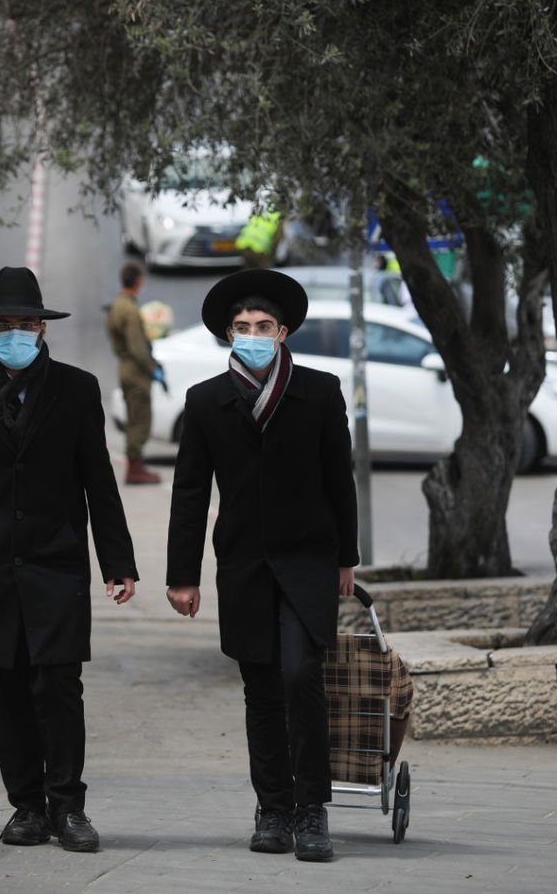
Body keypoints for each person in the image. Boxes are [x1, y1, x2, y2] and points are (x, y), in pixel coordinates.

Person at [0, 265, 139, 854]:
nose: (15, 333)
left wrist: (116, 563)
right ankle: (25, 806)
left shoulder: (76, 389)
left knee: (59, 689)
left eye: (26, 323)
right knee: (10, 693)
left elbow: (100, 481)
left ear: (42, 330)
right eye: (5, 324)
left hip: (57, 564)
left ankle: (68, 808)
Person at [164, 268, 359, 862]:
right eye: (243, 327)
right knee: (261, 690)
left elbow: (339, 481)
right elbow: (190, 491)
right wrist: (183, 574)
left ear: (284, 332)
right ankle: (272, 809)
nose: (253, 334)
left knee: (302, 676)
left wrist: (346, 559)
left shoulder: (320, 392)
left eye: (264, 326)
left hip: (307, 560)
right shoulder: (205, 401)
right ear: (228, 334)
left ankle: (312, 809)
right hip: (244, 565)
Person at [105, 260, 163, 484]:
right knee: (140, 420)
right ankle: (135, 469)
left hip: (125, 366)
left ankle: (136, 466)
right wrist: (152, 369)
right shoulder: (129, 309)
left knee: (133, 417)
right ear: (138, 281)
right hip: (136, 370)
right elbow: (137, 347)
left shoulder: (117, 305)